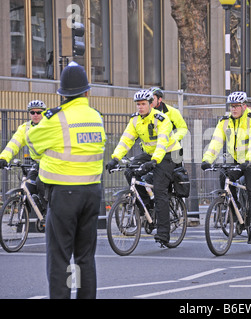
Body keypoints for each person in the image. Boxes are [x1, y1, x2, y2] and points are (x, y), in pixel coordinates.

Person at [26, 62, 106, 299]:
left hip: (64, 195)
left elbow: (32, 144)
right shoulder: (96, 117)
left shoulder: (55, 119)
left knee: (60, 257)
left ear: (61, 94)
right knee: (84, 257)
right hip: (92, 192)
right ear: (87, 92)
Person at [106, 89, 182, 247]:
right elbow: (126, 140)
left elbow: (162, 143)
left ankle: (163, 233)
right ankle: (146, 204)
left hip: (168, 154)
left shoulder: (162, 119)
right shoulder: (135, 120)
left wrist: (154, 162)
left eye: (143, 104)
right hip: (149, 153)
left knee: (160, 189)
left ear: (151, 104)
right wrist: (115, 158)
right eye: (138, 104)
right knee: (129, 171)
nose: (140, 107)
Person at [201, 91, 251, 245]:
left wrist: (248, 162)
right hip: (237, 159)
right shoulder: (225, 121)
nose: (233, 109)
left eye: (237, 106)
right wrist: (207, 159)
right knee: (223, 176)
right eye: (231, 106)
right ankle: (236, 209)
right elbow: (216, 141)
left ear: (244, 106)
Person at [0, 100, 47, 207]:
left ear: (44, 113)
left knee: (41, 184)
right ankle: (28, 218)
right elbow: (13, 144)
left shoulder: (49, 126)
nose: (35, 115)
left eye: (39, 112)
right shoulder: (25, 128)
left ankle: (50, 213)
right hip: (38, 163)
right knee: (28, 186)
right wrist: (4, 158)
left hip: (51, 163)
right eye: (32, 112)